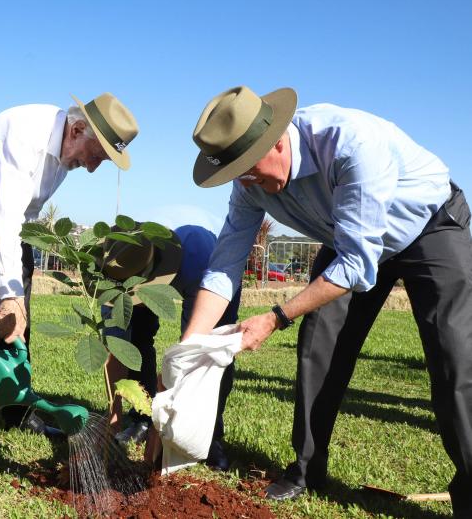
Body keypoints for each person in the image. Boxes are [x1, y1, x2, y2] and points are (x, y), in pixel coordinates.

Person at [184, 85, 472, 515]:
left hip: (427, 227)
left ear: (276, 141)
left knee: (454, 356)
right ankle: (306, 469)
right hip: (345, 237)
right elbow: (224, 267)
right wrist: (187, 351)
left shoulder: (350, 143)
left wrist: (276, 316)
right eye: (237, 174)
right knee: (319, 344)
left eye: (249, 169)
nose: (247, 183)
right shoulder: (249, 184)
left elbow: (358, 265)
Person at [0, 93, 139, 453]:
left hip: (16, 227)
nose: (93, 167)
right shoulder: (24, 134)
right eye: (96, 156)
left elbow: (21, 217)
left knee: (22, 319)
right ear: (78, 129)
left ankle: (18, 411)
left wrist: (18, 295)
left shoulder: (67, 150)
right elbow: (0, 217)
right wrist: (7, 294)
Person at [101, 225, 241, 471]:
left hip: (213, 276)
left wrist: (160, 428)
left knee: (213, 352)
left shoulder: (200, 261)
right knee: (136, 341)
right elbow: (116, 348)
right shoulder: (117, 266)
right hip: (160, 272)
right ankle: (141, 418)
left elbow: (191, 349)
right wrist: (113, 418)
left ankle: (212, 436)